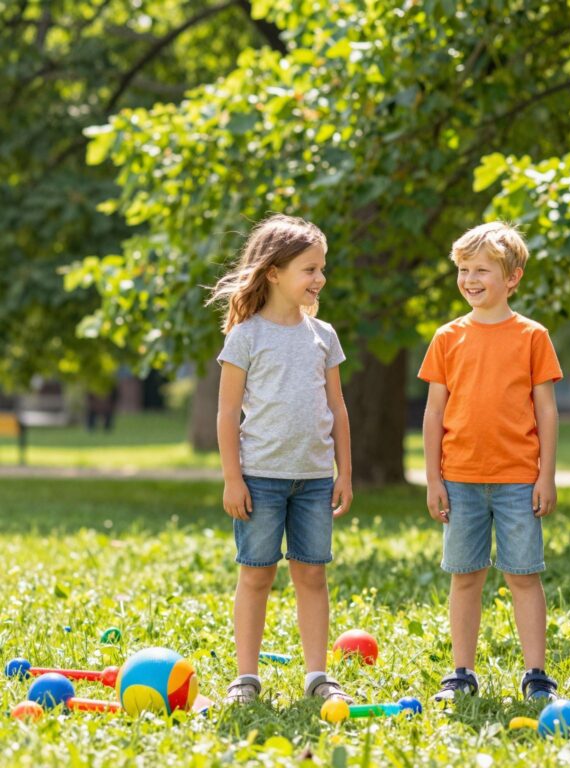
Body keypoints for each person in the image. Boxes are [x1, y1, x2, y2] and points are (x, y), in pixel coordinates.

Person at [208, 214, 354, 705]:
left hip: (313, 478)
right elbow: (227, 413)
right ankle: (245, 678)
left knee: (312, 573)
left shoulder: (323, 334)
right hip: (260, 478)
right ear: (273, 272)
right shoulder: (246, 336)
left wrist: (344, 472)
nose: (320, 279)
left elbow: (337, 408)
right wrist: (233, 478)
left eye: (322, 269)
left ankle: (317, 675)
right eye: (309, 269)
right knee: (257, 574)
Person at [418, 221, 562, 702]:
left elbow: (546, 410)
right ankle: (461, 672)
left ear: (513, 277)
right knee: (466, 576)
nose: (470, 278)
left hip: (519, 479)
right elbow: (434, 411)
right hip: (459, 478)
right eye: (463, 269)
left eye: (481, 269)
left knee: (523, 576)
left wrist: (546, 475)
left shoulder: (532, 336)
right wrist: (433, 478)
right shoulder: (447, 337)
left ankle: (536, 673)